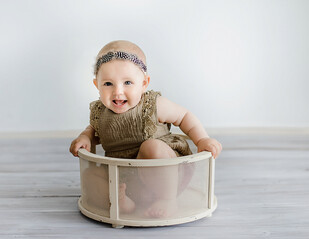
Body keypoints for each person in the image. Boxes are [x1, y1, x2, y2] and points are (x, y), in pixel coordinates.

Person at [70, 40, 222, 218]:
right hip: (125, 178)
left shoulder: (152, 105)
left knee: (151, 147)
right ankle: (122, 202)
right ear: (97, 85)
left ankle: (167, 199)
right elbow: (94, 130)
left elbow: (184, 116)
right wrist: (85, 137)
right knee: (91, 173)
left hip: (167, 172)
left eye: (127, 82)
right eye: (108, 84)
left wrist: (201, 139)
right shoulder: (99, 113)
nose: (118, 91)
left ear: (144, 83)